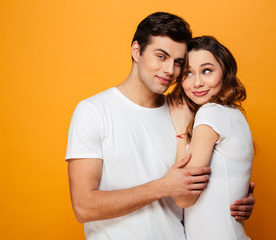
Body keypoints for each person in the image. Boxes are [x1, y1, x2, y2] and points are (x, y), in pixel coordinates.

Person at [65, 12, 255, 240]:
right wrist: (162, 187)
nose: (170, 71)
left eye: (178, 63)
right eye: (161, 56)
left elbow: (208, 180)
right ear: (137, 51)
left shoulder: (186, 112)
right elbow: (84, 207)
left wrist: (233, 196)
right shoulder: (93, 111)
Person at [168, 36, 254, 240]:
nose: (197, 83)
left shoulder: (211, 113)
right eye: (188, 72)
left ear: (225, 72)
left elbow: (184, 197)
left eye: (207, 70)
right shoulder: (234, 113)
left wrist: (181, 129)